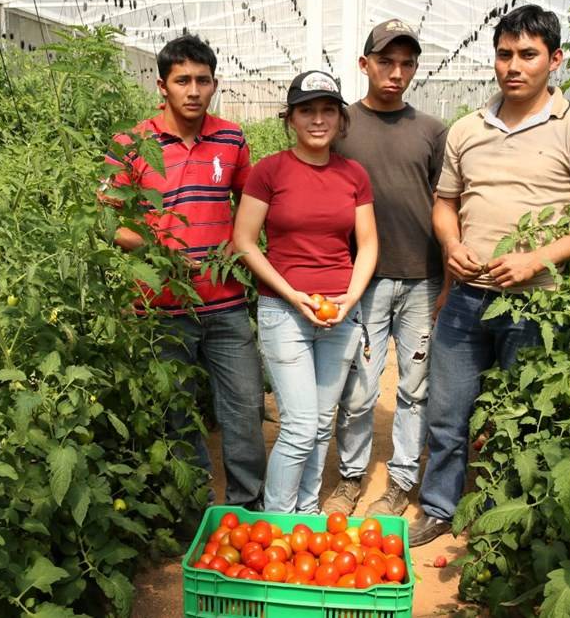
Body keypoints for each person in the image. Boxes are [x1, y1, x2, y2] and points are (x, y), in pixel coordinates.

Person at [410, 4, 570, 546]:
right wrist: (451, 243)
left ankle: (513, 517)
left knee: (526, 417)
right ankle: (438, 506)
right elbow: (444, 203)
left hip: (535, 304)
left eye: (528, 54)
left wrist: (537, 258)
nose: (514, 66)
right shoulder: (467, 129)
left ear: (555, 59)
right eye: (505, 54)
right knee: (448, 409)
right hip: (467, 297)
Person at [102, 35, 265, 509]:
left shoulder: (232, 138)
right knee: (176, 412)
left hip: (226, 300)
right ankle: (194, 509)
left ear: (214, 84)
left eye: (203, 80)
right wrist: (161, 253)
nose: (193, 90)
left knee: (243, 408)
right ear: (163, 85)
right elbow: (109, 220)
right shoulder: (131, 143)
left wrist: (241, 252)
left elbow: (248, 205)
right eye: (183, 81)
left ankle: (246, 507)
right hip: (161, 306)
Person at [232, 70, 378, 514]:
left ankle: (308, 514)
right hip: (284, 311)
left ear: (340, 118)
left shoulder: (354, 174)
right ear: (291, 119)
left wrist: (350, 300)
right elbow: (243, 241)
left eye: (328, 110)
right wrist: (292, 294)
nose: (318, 120)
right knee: (297, 424)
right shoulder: (269, 171)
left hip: (339, 314)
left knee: (317, 423)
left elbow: (368, 242)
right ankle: (277, 522)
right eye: (307, 111)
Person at [319, 19, 449, 518]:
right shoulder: (341, 127)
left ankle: (399, 482)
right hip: (362, 281)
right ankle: (351, 477)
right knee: (358, 387)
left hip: (422, 279)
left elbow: (446, 205)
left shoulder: (432, 131)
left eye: (407, 63)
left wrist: (447, 284)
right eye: (386, 61)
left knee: (415, 388)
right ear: (364, 64)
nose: (396, 72)